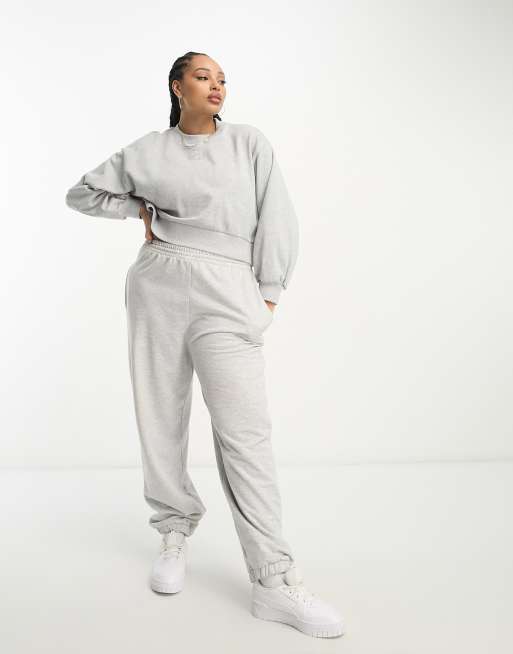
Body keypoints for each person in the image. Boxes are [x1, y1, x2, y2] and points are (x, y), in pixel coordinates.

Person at [65, 50, 344, 639]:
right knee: (160, 415)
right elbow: (82, 193)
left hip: (228, 288)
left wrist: (268, 295)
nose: (216, 86)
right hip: (159, 282)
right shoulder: (148, 150)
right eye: (202, 76)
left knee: (246, 434)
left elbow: (278, 217)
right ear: (177, 86)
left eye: (222, 79)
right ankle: (173, 533)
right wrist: (137, 208)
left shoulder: (248, 143)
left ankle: (273, 579)